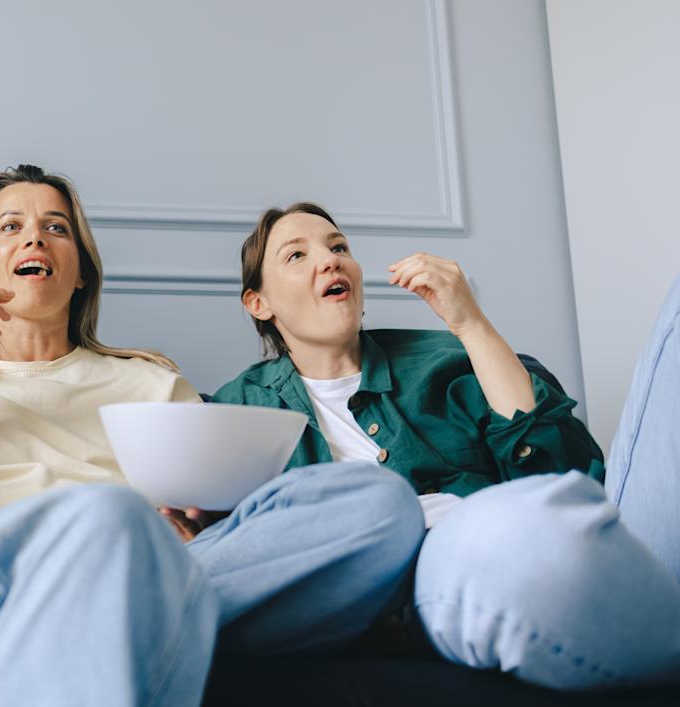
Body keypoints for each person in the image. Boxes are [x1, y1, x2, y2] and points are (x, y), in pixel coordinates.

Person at [0, 165, 426, 706]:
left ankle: (43, 628)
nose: (35, 238)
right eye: (11, 226)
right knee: (106, 515)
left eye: (56, 228)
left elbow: (205, 528)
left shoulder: (151, 381)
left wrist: (196, 526)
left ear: (81, 272)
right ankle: (74, 609)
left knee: (377, 501)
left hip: (151, 570)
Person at [213, 201, 680, 689]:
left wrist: (471, 325)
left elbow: (572, 477)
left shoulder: (448, 359)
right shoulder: (240, 408)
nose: (330, 260)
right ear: (258, 303)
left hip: (566, 528)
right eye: (296, 256)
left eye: (338, 247)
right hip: (429, 575)